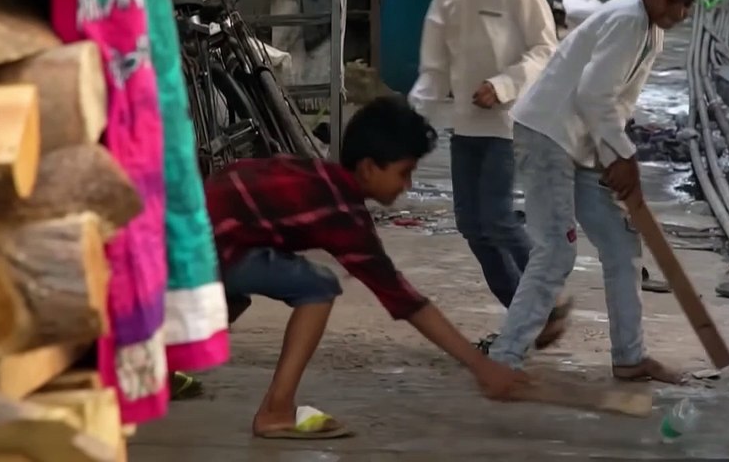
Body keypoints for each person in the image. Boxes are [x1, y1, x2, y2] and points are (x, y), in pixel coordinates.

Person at [207, 96, 527, 440]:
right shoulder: (342, 213)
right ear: (368, 168)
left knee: (232, 297)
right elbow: (405, 300)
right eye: (403, 173)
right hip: (197, 248)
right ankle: (276, 411)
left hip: (183, 236)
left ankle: (157, 376)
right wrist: (480, 366)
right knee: (318, 287)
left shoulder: (319, 176)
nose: (407, 185)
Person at [487, 0, 708, 383]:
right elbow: (592, 95)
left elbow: (614, 104)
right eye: (671, 0)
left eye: (687, 4)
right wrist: (622, 156)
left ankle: (630, 357)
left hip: (581, 143)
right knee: (556, 251)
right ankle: (502, 361)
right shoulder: (628, 20)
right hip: (549, 134)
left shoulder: (651, 28)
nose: (679, 12)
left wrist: (615, 156)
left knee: (621, 244)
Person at [408, 0, 571, 349]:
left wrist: (503, 85)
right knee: (470, 225)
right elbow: (433, 68)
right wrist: (414, 119)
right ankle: (525, 312)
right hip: (466, 126)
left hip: (511, 123)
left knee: (498, 220)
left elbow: (545, 49)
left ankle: (547, 300)